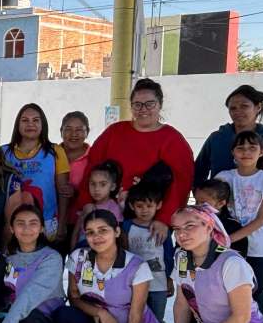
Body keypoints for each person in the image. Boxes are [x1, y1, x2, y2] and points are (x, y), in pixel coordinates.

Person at [73, 79, 193, 243]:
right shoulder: (114, 132)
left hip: (148, 222)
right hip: (107, 217)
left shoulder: (173, 140)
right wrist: (86, 201)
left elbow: (181, 184)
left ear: (160, 104)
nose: (143, 109)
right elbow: (92, 168)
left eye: (149, 104)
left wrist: (164, 219)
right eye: (137, 104)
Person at [215, 130, 263, 316]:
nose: (246, 152)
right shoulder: (224, 177)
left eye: (252, 147)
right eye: (240, 147)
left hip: (257, 248)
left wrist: (230, 238)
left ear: (261, 152)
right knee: (227, 293)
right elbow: (211, 206)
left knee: (257, 293)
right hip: (228, 248)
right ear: (233, 152)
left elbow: (261, 219)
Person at [194, 84, 263, 185]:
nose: (238, 111)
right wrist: (201, 194)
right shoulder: (217, 138)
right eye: (233, 108)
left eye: (244, 106)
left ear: (258, 107)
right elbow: (198, 172)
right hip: (219, 200)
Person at [4, 103, 70, 243]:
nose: (30, 124)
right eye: (25, 120)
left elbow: (63, 192)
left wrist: (62, 223)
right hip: (11, 225)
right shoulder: (3, 152)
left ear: (42, 124)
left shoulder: (55, 151)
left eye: (35, 120)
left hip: (47, 223)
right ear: (17, 124)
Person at [122, 182, 175, 323]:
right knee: (136, 319)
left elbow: (169, 256)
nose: (144, 210)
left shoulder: (163, 229)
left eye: (149, 206)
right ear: (132, 206)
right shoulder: (127, 226)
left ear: (158, 205)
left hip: (159, 284)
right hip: (134, 284)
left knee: (156, 321)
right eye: (139, 206)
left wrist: (170, 278)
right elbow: (124, 252)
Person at [69, 160, 123, 247]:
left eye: (103, 184)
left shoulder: (114, 208)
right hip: (82, 250)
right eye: (93, 184)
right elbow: (76, 232)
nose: (96, 189)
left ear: (112, 186)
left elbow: (114, 237)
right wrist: (72, 252)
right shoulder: (87, 207)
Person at [194, 178, 247, 256]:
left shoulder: (233, 227)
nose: (198, 206)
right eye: (196, 201)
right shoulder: (193, 221)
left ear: (221, 203)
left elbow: (238, 255)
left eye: (203, 202)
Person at [59, 111, 91, 196]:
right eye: (68, 129)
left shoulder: (94, 156)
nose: (73, 134)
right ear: (61, 131)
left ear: (87, 132)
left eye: (79, 129)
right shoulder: (50, 155)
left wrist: (76, 192)